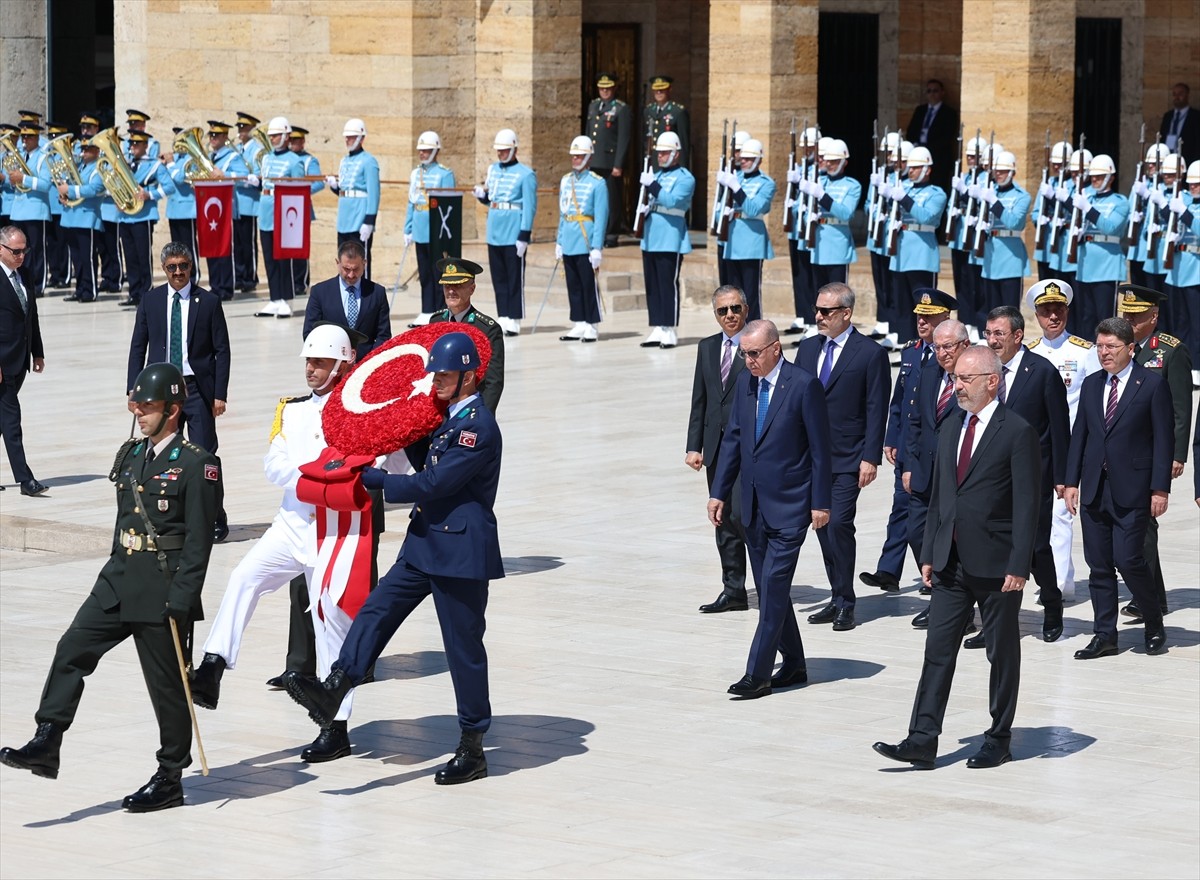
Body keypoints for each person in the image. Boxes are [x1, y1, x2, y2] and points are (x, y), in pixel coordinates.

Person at [284, 332, 503, 786]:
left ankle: (472, 744)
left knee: (463, 650)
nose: (434, 382)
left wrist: (377, 480)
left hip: (460, 552)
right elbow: (425, 456)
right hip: (425, 543)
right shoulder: (446, 417)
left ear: (467, 377)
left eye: (443, 376)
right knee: (377, 610)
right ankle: (336, 686)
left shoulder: (478, 427)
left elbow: (434, 484)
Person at [0, 363, 221, 811]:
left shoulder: (199, 465)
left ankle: (170, 776)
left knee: (166, 688)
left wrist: (181, 600)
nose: (139, 412)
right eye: (136, 404)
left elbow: (199, 542)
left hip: (161, 588)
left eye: (149, 405)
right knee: (71, 649)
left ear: (173, 410)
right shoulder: (132, 455)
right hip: (118, 579)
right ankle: (48, 739)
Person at [190, 324, 366, 762]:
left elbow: (373, 464)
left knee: (329, 624)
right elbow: (275, 465)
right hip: (291, 525)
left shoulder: (360, 413)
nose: (311, 369)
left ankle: (336, 726)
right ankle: (213, 666)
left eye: (320, 362)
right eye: (308, 361)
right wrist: (323, 477)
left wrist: (315, 475)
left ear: (342, 364)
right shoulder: (291, 410)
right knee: (244, 576)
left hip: (334, 529)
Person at [872, 345, 1040, 771]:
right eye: (956, 378)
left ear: (992, 381)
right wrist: (929, 550)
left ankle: (998, 737)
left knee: (1001, 654)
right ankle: (922, 740)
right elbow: (940, 496)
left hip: (998, 564)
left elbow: (1027, 506)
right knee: (937, 651)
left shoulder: (1017, 431)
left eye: (966, 379)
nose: (957, 385)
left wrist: (1019, 566)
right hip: (950, 561)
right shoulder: (951, 424)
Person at [708, 320, 831, 698]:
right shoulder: (746, 383)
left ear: (776, 349)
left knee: (773, 588)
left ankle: (757, 673)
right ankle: (794, 663)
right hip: (754, 507)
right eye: (744, 354)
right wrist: (719, 492)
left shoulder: (803, 385)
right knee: (768, 588)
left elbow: (820, 451)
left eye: (755, 353)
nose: (748, 361)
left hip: (792, 506)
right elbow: (733, 440)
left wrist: (820, 502)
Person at [1065, 316, 1174, 659]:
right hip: (1095, 488)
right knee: (1098, 565)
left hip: (1133, 488)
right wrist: (1071, 482)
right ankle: (1105, 634)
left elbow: (1163, 441)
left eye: (1111, 346)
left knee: (1129, 560)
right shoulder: (1093, 383)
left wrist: (1160, 489)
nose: (1103, 353)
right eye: (1099, 346)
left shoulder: (1151, 385)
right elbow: (1080, 434)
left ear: (1130, 348)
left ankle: (1153, 621)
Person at [796, 282, 889, 631]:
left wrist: (871, 457)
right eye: (817, 310)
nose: (818, 316)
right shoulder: (807, 350)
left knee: (838, 524)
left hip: (848, 458)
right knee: (822, 528)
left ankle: (846, 601)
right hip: (810, 459)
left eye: (826, 311)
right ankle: (836, 596)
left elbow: (876, 408)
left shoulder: (869, 353)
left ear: (846, 313)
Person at [976, 305, 1071, 644]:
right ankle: (995, 622)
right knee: (993, 549)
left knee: (1035, 547)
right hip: (990, 478)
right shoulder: (984, 370)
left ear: (1017, 335)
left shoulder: (1042, 372)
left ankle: (1052, 602)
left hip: (1033, 477)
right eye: (988, 333)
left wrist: (1064, 477)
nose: (991, 340)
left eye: (998, 334)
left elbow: (1060, 429)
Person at [127, 241, 231, 539]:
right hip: (162, 391)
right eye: (171, 267)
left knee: (205, 454)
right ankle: (170, 516)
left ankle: (214, 516)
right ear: (164, 269)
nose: (178, 272)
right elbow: (138, 346)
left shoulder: (208, 302)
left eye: (183, 266)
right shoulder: (151, 300)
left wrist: (219, 394)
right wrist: (133, 389)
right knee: (163, 454)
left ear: (191, 266)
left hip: (196, 389)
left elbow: (222, 350)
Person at [860, 288, 956, 593]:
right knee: (901, 507)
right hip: (907, 443)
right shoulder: (912, 350)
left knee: (926, 516)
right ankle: (889, 569)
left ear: (945, 317)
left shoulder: (951, 355)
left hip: (933, 448)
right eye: (919, 316)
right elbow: (900, 400)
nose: (922, 322)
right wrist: (891, 438)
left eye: (929, 316)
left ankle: (931, 573)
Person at [1116, 284, 1193, 620]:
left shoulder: (1170, 352)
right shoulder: (1120, 349)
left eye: (1137, 314)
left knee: (1144, 525)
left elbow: (1181, 409)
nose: (1130, 319)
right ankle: (1148, 593)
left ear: (1154, 316)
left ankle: (1150, 597)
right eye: (1127, 313)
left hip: (1153, 453)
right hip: (1122, 452)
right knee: (1134, 525)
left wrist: (1177, 455)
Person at [1024, 279, 1100, 608]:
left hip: (1072, 445)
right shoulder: (1030, 353)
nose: (1053, 316)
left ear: (1067, 311)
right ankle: (1051, 574)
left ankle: (1059, 583)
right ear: (1037, 316)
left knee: (1061, 515)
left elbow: (1095, 399)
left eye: (1059, 310)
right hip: (1038, 446)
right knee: (1039, 516)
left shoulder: (1084, 352)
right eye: (1046, 311)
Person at [904, 319, 971, 628]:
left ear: (965, 346)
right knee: (918, 533)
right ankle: (939, 593)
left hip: (957, 475)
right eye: (937, 347)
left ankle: (957, 606)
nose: (942, 353)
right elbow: (915, 419)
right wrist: (908, 464)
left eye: (948, 347)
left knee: (953, 542)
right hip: (923, 471)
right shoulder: (929, 371)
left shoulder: (975, 377)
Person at [687, 285, 749, 613]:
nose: (730, 316)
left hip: (748, 451)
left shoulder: (758, 345)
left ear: (746, 310)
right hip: (715, 451)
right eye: (723, 311)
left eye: (735, 308)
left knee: (744, 518)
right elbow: (701, 399)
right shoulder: (707, 347)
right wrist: (693, 445)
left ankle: (766, 586)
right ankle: (734, 591)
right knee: (722, 519)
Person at [474, 129, 536, 336]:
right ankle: (503, 315)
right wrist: (482, 196)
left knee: (514, 277)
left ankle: (515, 317)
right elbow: (492, 197)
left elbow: (530, 206)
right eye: (499, 151)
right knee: (498, 276)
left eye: (504, 150)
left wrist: (524, 234)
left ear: (514, 149)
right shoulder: (493, 170)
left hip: (513, 231)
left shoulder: (526, 174)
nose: (501, 154)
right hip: (495, 230)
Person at [884, 146, 947, 347]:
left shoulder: (936, 193)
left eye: (915, 167)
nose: (910, 171)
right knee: (901, 303)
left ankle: (926, 344)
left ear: (927, 170)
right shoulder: (903, 187)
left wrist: (904, 198)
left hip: (922, 254)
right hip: (901, 252)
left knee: (924, 305)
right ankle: (905, 343)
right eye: (909, 167)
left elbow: (928, 217)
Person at [637, 131, 695, 349]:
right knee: (652, 284)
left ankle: (669, 328)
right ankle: (657, 326)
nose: (660, 157)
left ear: (676, 153)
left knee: (667, 283)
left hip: (671, 237)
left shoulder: (685, 177)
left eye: (665, 153)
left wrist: (652, 186)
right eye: (659, 153)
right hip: (651, 236)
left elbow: (673, 202)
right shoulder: (657, 176)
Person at [0, 226, 47, 495]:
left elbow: (32, 316)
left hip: (20, 361)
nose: (21, 256)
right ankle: (25, 480)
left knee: (1, 421)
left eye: (24, 251)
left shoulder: (25, 275)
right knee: (11, 419)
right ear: (0, 249)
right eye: (15, 251)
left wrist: (37, 352)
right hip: (2, 363)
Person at [429, 258, 504, 412]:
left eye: (457, 285)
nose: (451, 291)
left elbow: (493, 382)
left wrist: (483, 416)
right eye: (447, 286)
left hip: (472, 410)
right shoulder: (435, 321)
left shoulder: (487, 329)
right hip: (440, 410)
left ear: (472, 289)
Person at [717, 139, 776, 323]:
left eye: (749, 158)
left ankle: (755, 328)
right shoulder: (735, 178)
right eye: (742, 158)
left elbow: (753, 209)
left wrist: (736, 188)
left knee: (750, 293)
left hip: (752, 242)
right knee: (733, 293)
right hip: (732, 240)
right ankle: (735, 329)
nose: (743, 161)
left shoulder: (766, 183)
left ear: (759, 160)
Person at [556, 136, 608, 343]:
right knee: (573, 284)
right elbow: (563, 212)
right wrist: (559, 241)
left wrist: (597, 247)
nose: (575, 159)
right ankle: (578, 321)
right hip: (569, 238)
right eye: (573, 156)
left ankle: (592, 323)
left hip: (585, 240)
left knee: (588, 284)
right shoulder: (565, 180)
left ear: (588, 157)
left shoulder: (597, 183)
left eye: (579, 156)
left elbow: (601, 217)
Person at [116, 131, 177, 308]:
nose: (132, 147)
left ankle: (146, 293)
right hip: (125, 217)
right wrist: (119, 200)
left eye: (136, 144)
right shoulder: (126, 165)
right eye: (131, 145)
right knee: (130, 257)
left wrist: (149, 194)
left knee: (143, 257)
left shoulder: (155, 165)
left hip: (144, 217)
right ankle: (134, 293)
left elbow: (169, 188)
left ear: (144, 146)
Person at [252, 117, 305, 318]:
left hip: (284, 213)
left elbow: (299, 190)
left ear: (285, 135)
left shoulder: (295, 160)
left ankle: (287, 299)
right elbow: (265, 182)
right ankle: (275, 298)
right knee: (269, 257)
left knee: (284, 258)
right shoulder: (266, 158)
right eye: (271, 135)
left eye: (275, 135)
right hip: (265, 209)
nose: (272, 138)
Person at [303, 240, 392, 360]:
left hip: (366, 364)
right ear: (337, 263)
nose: (351, 275)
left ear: (364, 264)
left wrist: (370, 361)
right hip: (331, 363)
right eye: (346, 269)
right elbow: (310, 332)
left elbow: (384, 335)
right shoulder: (320, 292)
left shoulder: (377, 293)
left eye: (356, 269)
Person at [1071, 154, 1129, 334]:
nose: (1094, 180)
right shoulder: (1088, 198)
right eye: (1093, 176)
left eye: (1099, 176)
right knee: (1086, 316)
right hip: (1085, 264)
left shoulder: (1120, 201)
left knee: (1104, 317)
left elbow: (1110, 227)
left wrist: (1088, 209)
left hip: (1107, 265)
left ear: (1110, 178)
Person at [403, 130, 455, 326]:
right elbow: (411, 202)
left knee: (438, 274)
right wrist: (407, 228)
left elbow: (449, 205)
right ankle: (426, 310)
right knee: (424, 273)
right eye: (420, 151)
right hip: (419, 228)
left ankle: (441, 311)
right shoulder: (416, 174)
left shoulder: (445, 174)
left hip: (437, 230)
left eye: (426, 150)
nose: (422, 154)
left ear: (435, 151)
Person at [323, 118, 380, 281]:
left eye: (352, 137)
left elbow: (374, 193)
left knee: (359, 262)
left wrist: (369, 221)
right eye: (346, 137)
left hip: (360, 218)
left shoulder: (369, 161)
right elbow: (346, 190)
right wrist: (335, 186)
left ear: (361, 138)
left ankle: (364, 298)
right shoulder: (344, 161)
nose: (347, 140)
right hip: (344, 219)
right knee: (344, 262)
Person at [803, 138, 862, 293]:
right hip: (818, 242)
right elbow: (806, 211)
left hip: (837, 243)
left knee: (838, 293)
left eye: (834, 161)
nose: (828, 164)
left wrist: (823, 196)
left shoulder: (852, 185)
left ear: (844, 163)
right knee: (819, 293)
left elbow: (846, 213)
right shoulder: (817, 181)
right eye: (827, 161)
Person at [979, 151, 1031, 316]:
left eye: (1003, 171)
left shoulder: (1022, 196)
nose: (999, 175)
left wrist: (994, 202)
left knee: (1009, 311)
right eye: (997, 171)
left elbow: (1014, 223)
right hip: (990, 255)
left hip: (1010, 257)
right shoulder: (988, 191)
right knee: (991, 309)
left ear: (1012, 173)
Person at [784, 126, 825, 339]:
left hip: (811, 226)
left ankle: (812, 317)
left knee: (811, 274)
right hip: (798, 224)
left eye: (810, 146)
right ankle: (802, 313)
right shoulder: (800, 167)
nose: (807, 150)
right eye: (805, 147)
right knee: (799, 272)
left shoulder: (819, 169)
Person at [5, 122, 52, 299]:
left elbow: (46, 184)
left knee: (36, 251)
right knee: (18, 251)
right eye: (23, 137)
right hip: (18, 209)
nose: (25, 140)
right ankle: (23, 281)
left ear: (37, 138)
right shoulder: (20, 156)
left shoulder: (43, 157)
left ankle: (38, 284)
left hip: (36, 210)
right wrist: (13, 180)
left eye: (29, 136)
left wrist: (22, 178)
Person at [205, 121, 250, 301]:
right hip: (210, 208)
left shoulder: (233, 157)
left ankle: (226, 287)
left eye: (216, 136)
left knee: (225, 249)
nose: (213, 139)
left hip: (226, 208)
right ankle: (215, 285)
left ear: (224, 137)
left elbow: (243, 174)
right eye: (211, 136)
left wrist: (224, 174)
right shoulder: (208, 157)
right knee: (211, 248)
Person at [586, 72, 632, 248]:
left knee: (612, 198)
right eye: (601, 88)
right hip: (595, 161)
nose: (604, 91)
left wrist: (618, 164)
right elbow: (589, 133)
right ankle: (599, 232)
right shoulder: (593, 106)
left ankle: (612, 233)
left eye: (608, 88)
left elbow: (623, 138)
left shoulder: (621, 108)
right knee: (596, 198)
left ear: (613, 89)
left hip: (610, 162)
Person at [56, 140, 105, 304]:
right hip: (71, 216)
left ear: (97, 151)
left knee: (88, 257)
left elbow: (94, 189)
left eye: (88, 149)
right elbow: (67, 185)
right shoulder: (78, 166)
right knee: (76, 258)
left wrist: (69, 190)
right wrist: (63, 195)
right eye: (83, 149)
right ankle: (80, 289)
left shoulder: (99, 168)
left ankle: (90, 290)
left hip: (87, 217)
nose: (84, 152)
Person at [1165, 159, 1200, 382]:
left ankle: (1197, 367)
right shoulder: (1185, 200)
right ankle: (1183, 365)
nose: (1193, 187)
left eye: (1197, 183)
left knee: (1197, 323)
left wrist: (1185, 213)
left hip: (1196, 270)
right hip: (1178, 269)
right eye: (1191, 184)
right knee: (1180, 323)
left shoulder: (1188, 206)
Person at [287, 126, 324, 298]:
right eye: (291, 140)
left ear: (302, 141)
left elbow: (318, 182)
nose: (293, 143)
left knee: (299, 249)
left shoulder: (310, 160)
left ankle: (300, 282)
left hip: (301, 207)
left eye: (296, 140)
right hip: (286, 208)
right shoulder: (287, 158)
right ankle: (288, 280)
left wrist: (301, 191)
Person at [905, 79, 959, 196]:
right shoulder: (920, 110)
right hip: (918, 153)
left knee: (938, 189)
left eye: (935, 91)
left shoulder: (949, 113)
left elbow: (946, 137)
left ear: (942, 93)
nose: (932, 94)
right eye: (929, 91)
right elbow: (911, 131)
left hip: (938, 158)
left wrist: (927, 149)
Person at [1032, 141, 1074, 281]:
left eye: (1060, 163)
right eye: (1054, 163)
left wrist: (1053, 198)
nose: (1056, 167)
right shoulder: (1048, 182)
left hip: (1063, 244)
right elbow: (1036, 211)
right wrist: (1039, 220)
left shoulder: (1073, 184)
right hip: (1046, 242)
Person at [233, 111, 264, 292]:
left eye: (244, 127)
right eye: (239, 127)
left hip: (249, 202)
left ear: (252, 129)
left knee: (248, 243)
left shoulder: (257, 150)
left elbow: (258, 175)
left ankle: (250, 278)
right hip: (236, 202)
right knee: (237, 243)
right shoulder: (237, 149)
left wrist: (244, 179)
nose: (241, 130)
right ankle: (239, 275)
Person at [643, 75, 690, 168]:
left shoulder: (677, 111)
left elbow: (683, 143)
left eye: (662, 89)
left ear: (669, 89)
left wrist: (683, 167)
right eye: (656, 90)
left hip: (671, 162)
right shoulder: (649, 110)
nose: (659, 92)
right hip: (653, 161)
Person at [1160, 83, 1199, 164]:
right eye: (1174, 94)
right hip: (1168, 160)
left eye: (1180, 94)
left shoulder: (1196, 116)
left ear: (1187, 95)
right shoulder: (1168, 116)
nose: (1177, 97)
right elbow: (1162, 138)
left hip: (1186, 161)